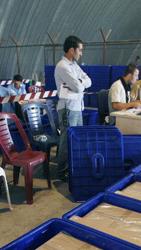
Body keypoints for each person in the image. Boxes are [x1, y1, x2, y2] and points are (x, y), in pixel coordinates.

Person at [54, 35, 91, 179]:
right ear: (71, 50)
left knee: (76, 139)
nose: (81, 54)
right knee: (66, 140)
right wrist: (80, 82)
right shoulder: (62, 67)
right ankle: (62, 170)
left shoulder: (74, 66)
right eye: (79, 50)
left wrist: (80, 81)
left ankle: (72, 167)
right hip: (68, 109)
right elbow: (77, 87)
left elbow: (89, 81)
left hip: (77, 108)